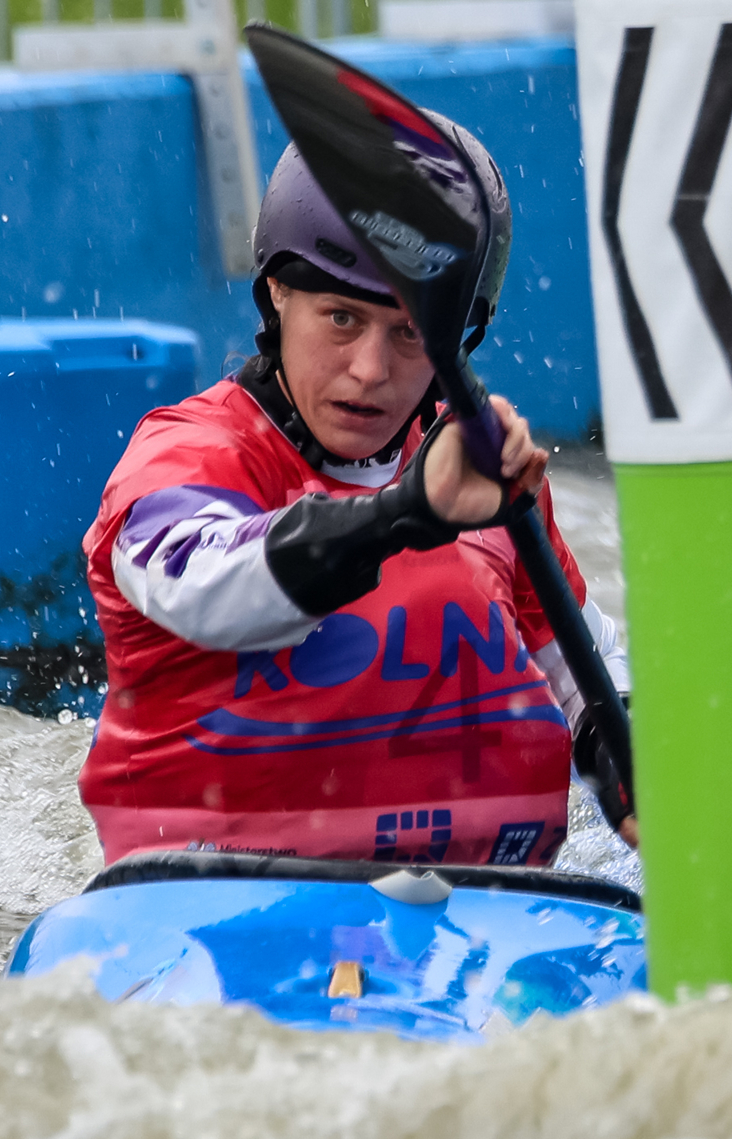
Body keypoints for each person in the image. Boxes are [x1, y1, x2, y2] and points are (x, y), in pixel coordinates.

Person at [81, 133, 622, 867]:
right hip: (207, 917)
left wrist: (625, 756)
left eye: (409, 332)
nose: (371, 370)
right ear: (277, 290)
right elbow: (212, 590)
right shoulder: (181, 458)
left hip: (493, 922)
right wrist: (403, 514)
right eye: (342, 318)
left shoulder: (487, 476)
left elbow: (588, 677)